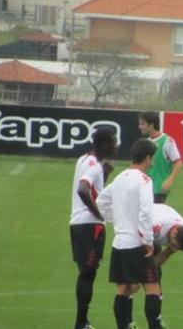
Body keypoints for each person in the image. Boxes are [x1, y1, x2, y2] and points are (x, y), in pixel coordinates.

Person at [96, 139, 163, 329]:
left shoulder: (120, 177)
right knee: (152, 287)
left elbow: (101, 201)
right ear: (147, 158)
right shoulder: (144, 181)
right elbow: (145, 212)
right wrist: (147, 241)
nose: (151, 164)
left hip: (119, 243)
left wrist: (115, 219)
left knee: (123, 289)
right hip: (136, 244)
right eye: (152, 159)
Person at [69, 126, 118, 329]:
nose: (116, 146)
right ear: (105, 144)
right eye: (113, 142)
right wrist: (98, 214)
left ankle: (83, 322)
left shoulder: (84, 159)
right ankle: (81, 324)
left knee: (85, 273)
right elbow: (83, 189)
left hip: (77, 224)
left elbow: (93, 189)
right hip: (90, 227)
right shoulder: (94, 166)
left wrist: (104, 176)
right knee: (88, 275)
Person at [138, 111, 183, 204]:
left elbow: (178, 162)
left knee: (155, 216)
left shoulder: (167, 141)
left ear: (151, 125)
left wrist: (169, 180)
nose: (140, 126)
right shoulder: (146, 142)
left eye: (143, 124)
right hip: (145, 187)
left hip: (159, 188)